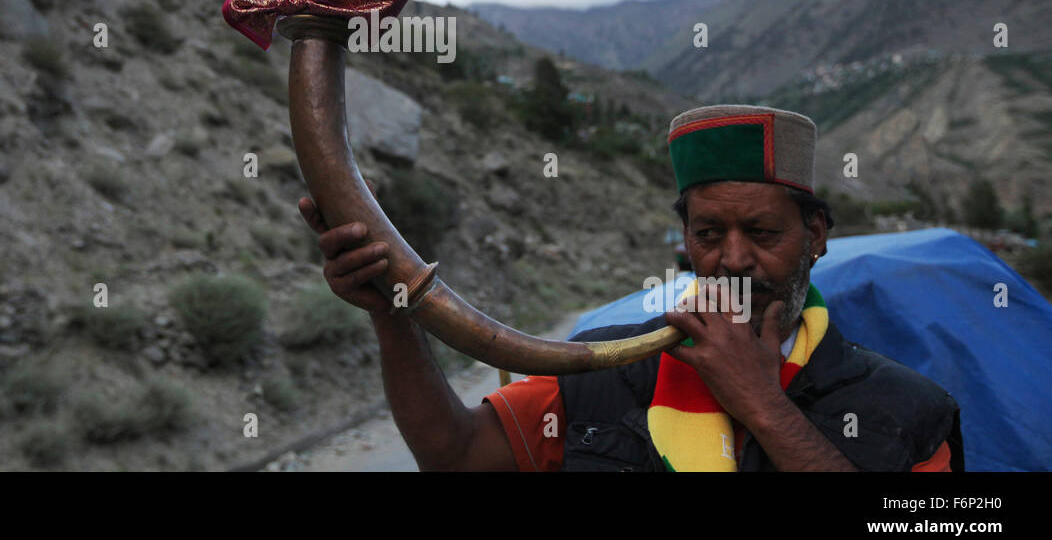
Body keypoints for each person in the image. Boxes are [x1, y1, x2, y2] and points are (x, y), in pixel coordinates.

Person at [297, 104, 964, 471]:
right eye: (708, 233)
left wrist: (761, 403)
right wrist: (393, 311)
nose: (732, 261)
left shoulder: (912, 410)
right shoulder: (604, 367)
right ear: (684, 240)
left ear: (816, 234)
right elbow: (458, 456)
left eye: (762, 232)